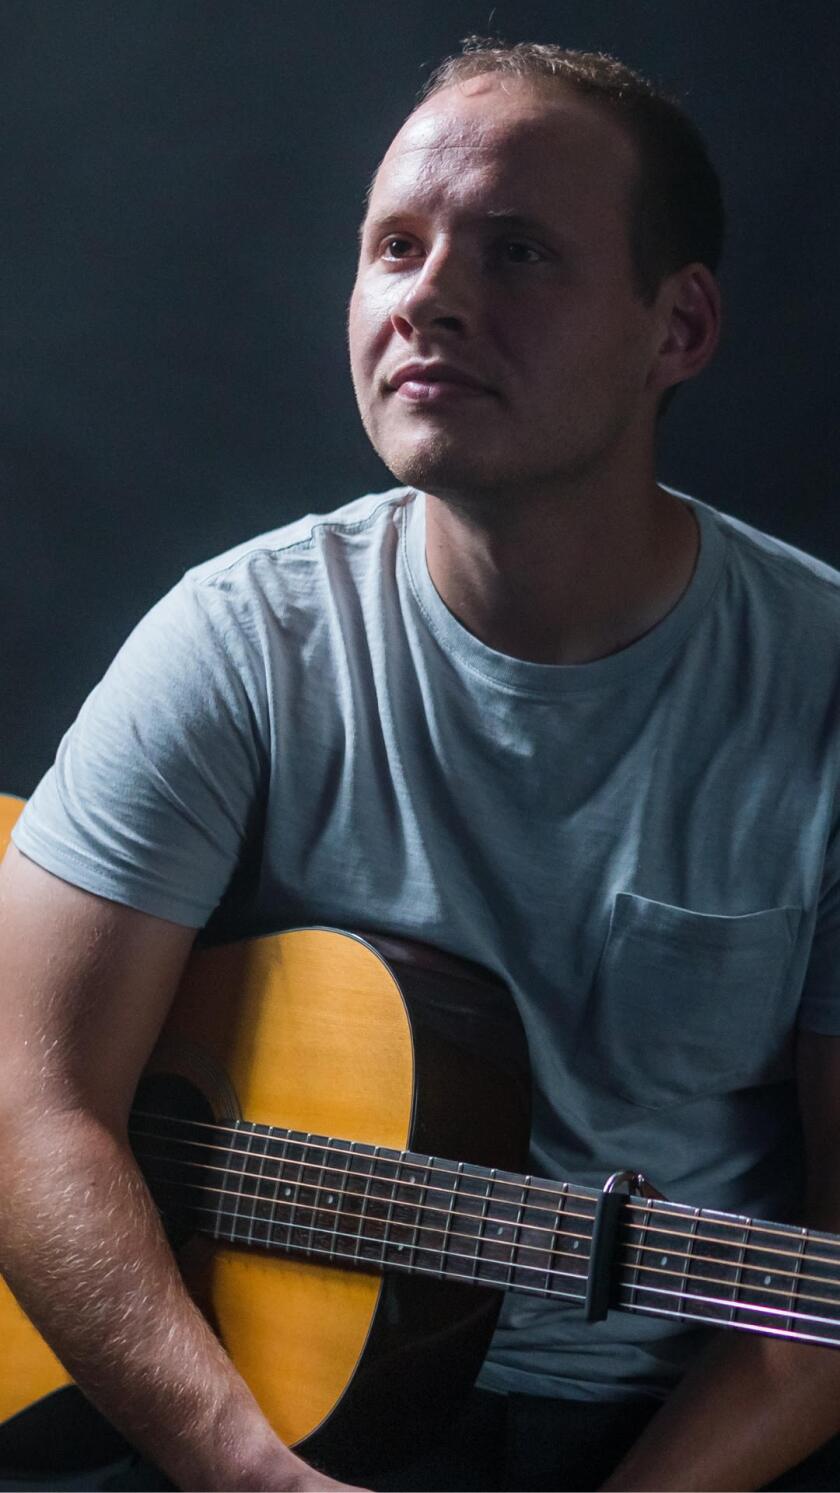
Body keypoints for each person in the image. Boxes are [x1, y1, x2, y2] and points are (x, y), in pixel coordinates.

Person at [1, 34, 840, 1493]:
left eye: (517, 252)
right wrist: (243, 1467)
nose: (430, 296)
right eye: (397, 245)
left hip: (664, 1437)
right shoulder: (242, 640)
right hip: (234, 1402)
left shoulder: (822, 687)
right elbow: (31, 1102)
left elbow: (821, 1294)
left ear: (678, 328)